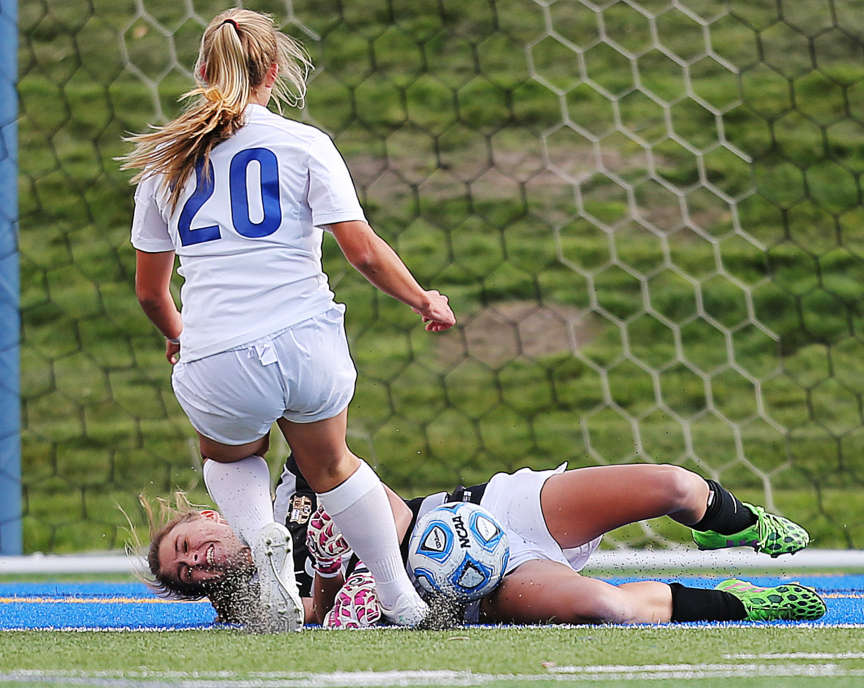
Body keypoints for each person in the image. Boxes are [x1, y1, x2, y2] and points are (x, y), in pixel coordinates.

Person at [121, 8, 455, 632]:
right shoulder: (305, 144)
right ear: (273, 71)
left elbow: (149, 292)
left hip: (216, 350)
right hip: (306, 338)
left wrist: (177, 334)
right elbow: (362, 251)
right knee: (332, 468)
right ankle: (401, 599)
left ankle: (264, 549)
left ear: (199, 71)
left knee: (228, 459)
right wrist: (422, 300)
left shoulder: (164, 162)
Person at [143, 457, 826, 628]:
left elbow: (352, 474)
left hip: (487, 512)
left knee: (672, 487)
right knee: (608, 611)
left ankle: (739, 525)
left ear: (207, 512)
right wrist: (317, 588)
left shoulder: (297, 482)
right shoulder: (273, 599)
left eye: (186, 543)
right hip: (484, 579)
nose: (196, 558)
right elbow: (310, 618)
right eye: (189, 572)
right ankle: (741, 601)